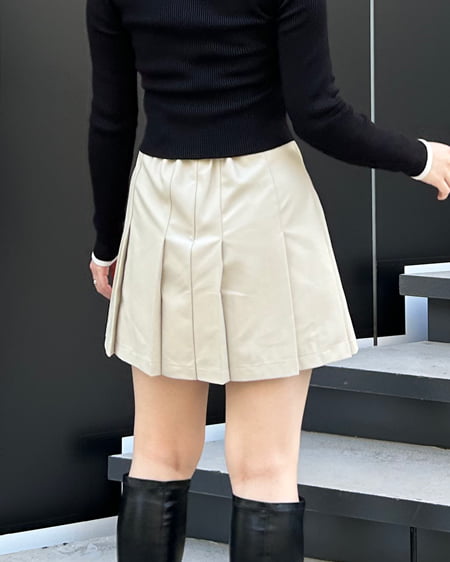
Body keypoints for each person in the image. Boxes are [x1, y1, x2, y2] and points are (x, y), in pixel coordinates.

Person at [85, 0, 450, 560]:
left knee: (157, 456)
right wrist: (420, 157)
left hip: (160, 203)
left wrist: (108, 244)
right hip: (261, 204)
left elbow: (111, 119)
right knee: (265, 469)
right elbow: (319, 114)